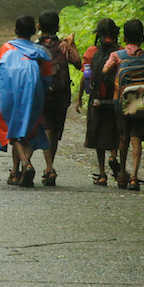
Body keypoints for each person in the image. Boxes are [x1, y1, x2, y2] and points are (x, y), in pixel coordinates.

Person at [103, 18, 144, 191]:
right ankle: (134, 177)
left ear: (123, 38)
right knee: (137, 139)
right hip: (143, 104)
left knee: (123, 138)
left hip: (122, 104)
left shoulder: (117, 55)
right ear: (143, 38)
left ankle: (122, 174)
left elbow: (105, 70)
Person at [0, 15, 52, 188]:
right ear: (34, 32)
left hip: (10, 93)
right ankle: (15, 171)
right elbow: (47, 79)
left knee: (11, 129)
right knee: (28, 131)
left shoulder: (6, 48)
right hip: (35, 93)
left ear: (15, 30)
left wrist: (0, 90)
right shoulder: (40, 52)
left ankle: (26, 164)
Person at [35, 11, 81, 186]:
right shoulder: (63, 46)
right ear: (58, 27)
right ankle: (49, 166)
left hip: (42, 92)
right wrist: (72, 45)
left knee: (45, 127)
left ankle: (48, 167)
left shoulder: (35, 46)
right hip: (61, 94)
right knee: (53, 130)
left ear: (39, 27)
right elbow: (78, 64)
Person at [80, 18, 122, 186]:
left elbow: (86, 76)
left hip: (97, 99)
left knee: (98, 134)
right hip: (115, 99)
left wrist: (79, 99)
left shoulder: (91, 51)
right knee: (114, 130)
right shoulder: (121, 52)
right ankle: (114, 156)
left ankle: (102, 173)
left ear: (97, 34)